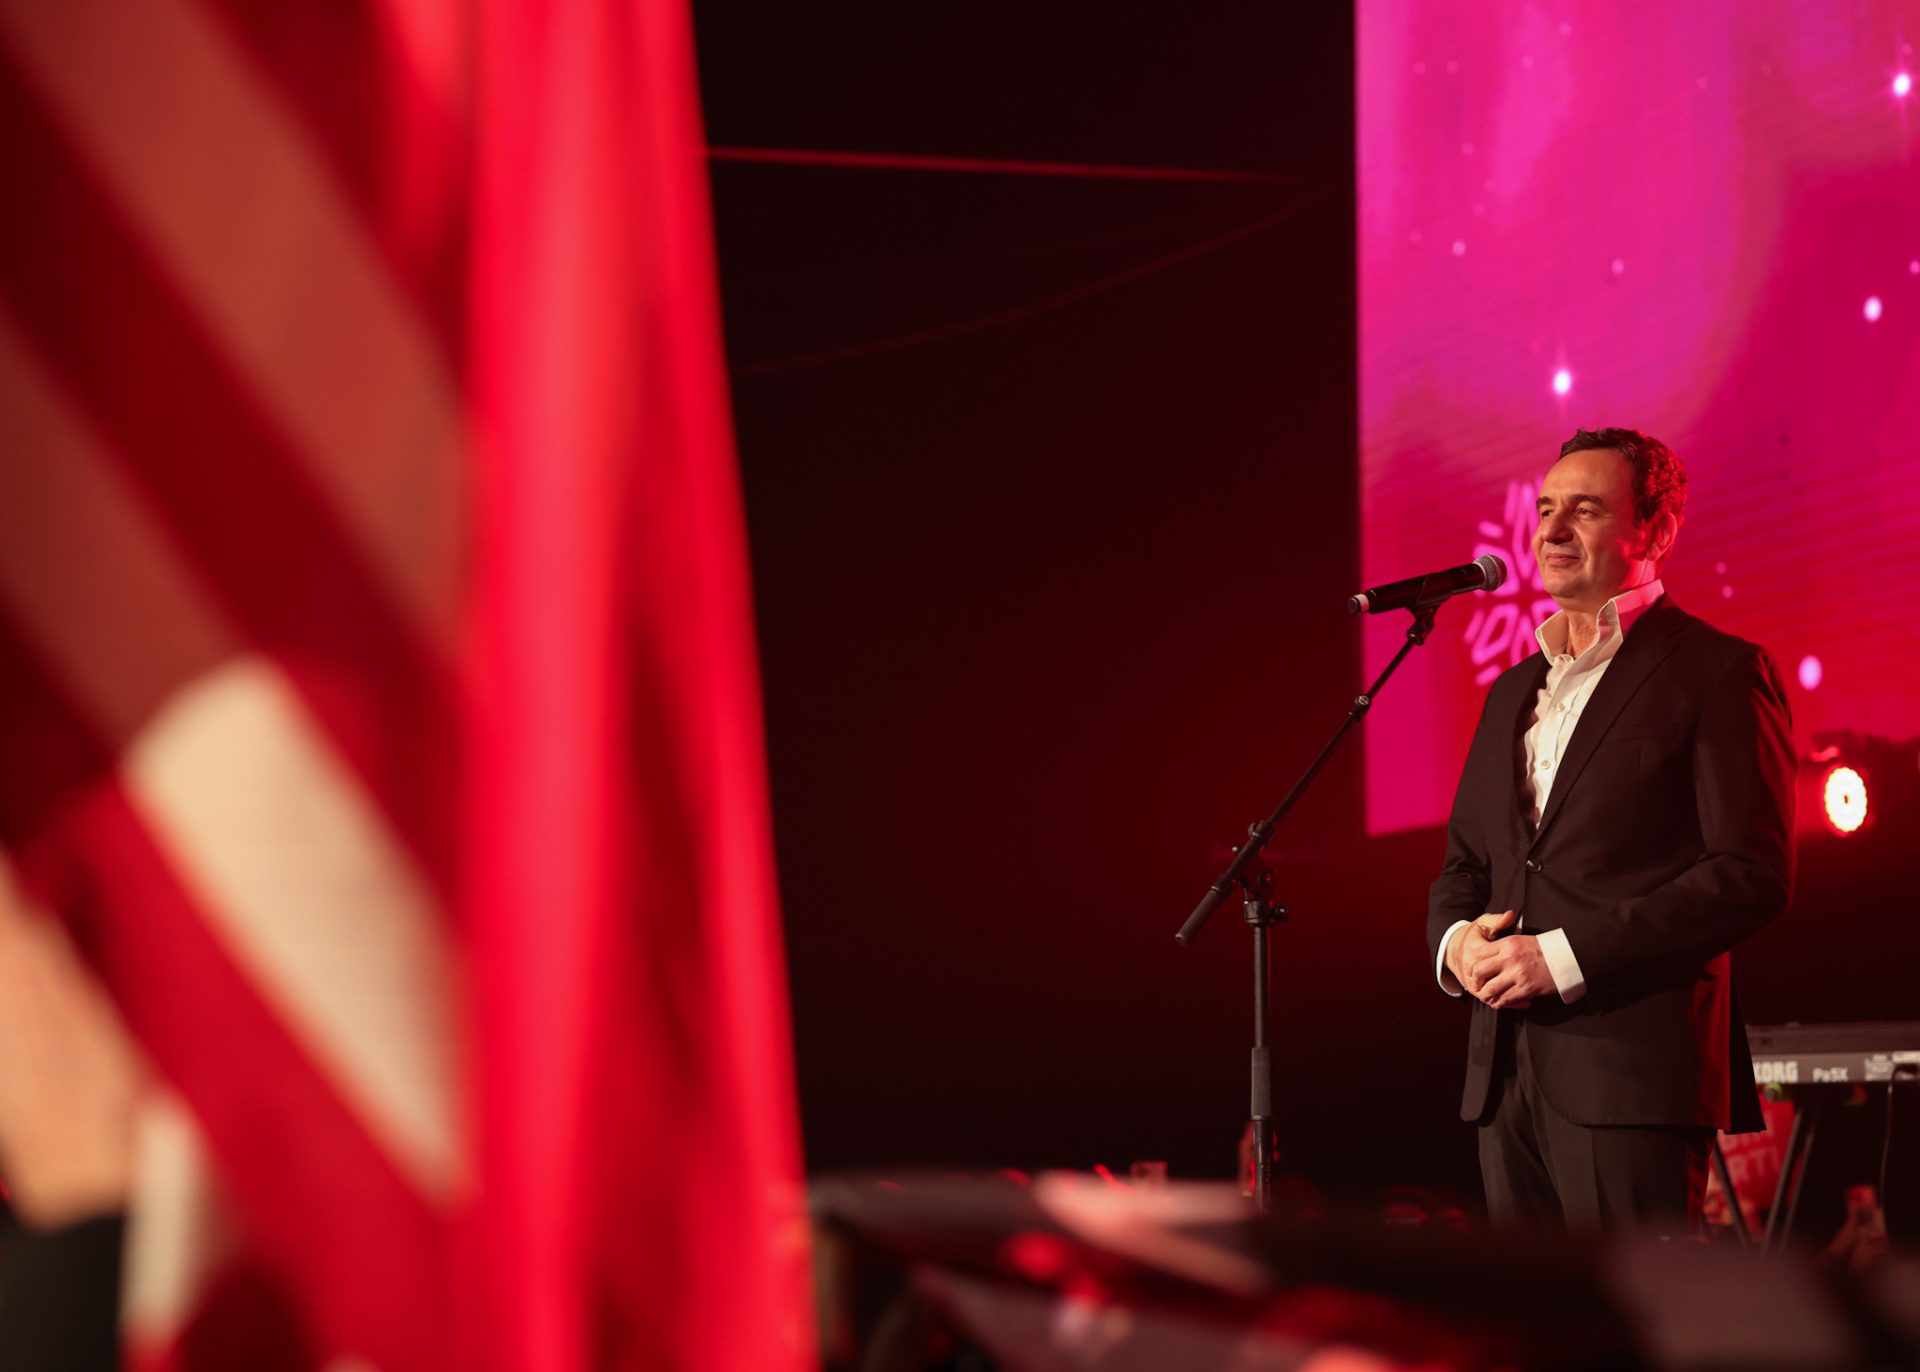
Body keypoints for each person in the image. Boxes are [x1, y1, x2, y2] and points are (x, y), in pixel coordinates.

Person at [1427, 427, 1795, 1234]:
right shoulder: (1509, 692)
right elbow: (1466, 864)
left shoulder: (1718, 671)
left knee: (1631, 1310)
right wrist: (1456, 946)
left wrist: (1561, 958)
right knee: (1534, 1311)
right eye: (1545, 510)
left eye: (1585, 510)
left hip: (1631, 1074)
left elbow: (1749, 872)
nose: (1552, 531)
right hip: (1503, 1077)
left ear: (1657, 532)